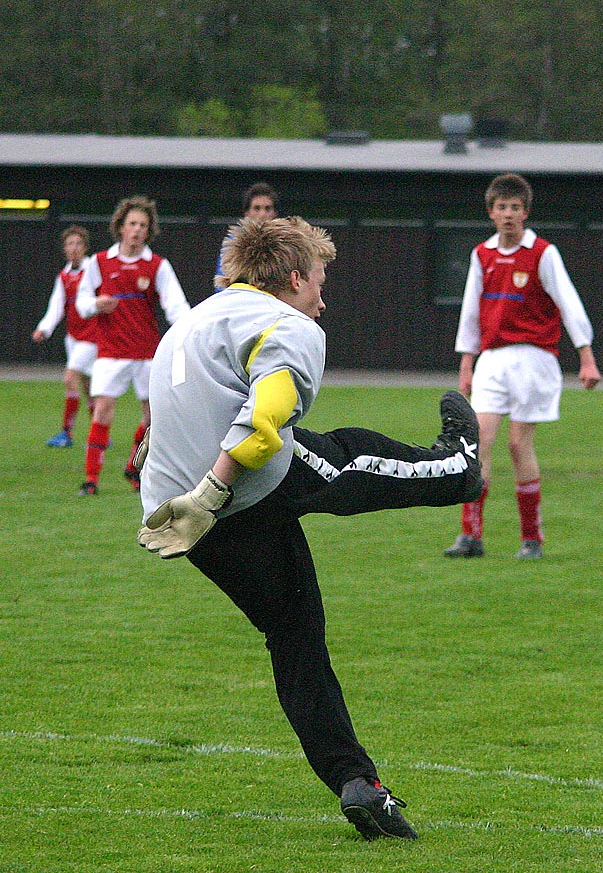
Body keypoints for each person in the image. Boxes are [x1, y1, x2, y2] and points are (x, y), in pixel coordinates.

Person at [136, 216, 481, 841]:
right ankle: (456, 468)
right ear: (293, 279)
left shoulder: (193, 318)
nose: (323, 298)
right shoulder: (289, 324)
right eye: (320, 281)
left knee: (296, 639)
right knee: (346, 457)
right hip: (225, 490)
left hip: (180, 517)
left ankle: (359, 784)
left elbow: (169, 408)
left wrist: (164, 469)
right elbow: (265, 414)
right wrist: (213, 487)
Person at [443, 172, 601, 560]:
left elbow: (568, 302)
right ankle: (471, 536)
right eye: (501, 207)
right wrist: (467, 364)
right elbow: (470, 311)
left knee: (518, 444)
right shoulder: (482, 254)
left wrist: (586, 356)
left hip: (534, 358)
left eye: (515, 207)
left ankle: (531, 539)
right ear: (491, 213)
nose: (508, 214)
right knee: (479, 443)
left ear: (525, 212)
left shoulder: (543, 253)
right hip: (493, 360)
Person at [75, 195, 190, 496]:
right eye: (132, 224)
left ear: (149, 230)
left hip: (147, 352)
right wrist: (96, 304)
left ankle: (132, 466)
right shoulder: (99, 262)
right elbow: (81, 302)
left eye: (143, 225)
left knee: (153, 418)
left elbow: (176, 306)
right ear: (121, 228)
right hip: (111, 352)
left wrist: (190, 329)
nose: (137, 230)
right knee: (103, 411)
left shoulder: (156, 265)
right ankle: (91, 479)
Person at [32, 225, 100, 447]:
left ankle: (66, 434)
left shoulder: (93, 270)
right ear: (65, 249)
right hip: (73, 337)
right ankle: (99, 434)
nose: (74, 248)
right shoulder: (63, 276)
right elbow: (56, 307)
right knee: (88, 388)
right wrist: (44, 328)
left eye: (78, 244)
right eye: (70, 244)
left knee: (70, 379)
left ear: (85, 247)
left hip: (91, 338)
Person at [215, 181, 279, 284]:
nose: (262, 214)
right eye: (257, 208)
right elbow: (222, 280)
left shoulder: (284, 243)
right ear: (247, 213)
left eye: (267, 208)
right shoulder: (234, 242)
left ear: (275, 213)